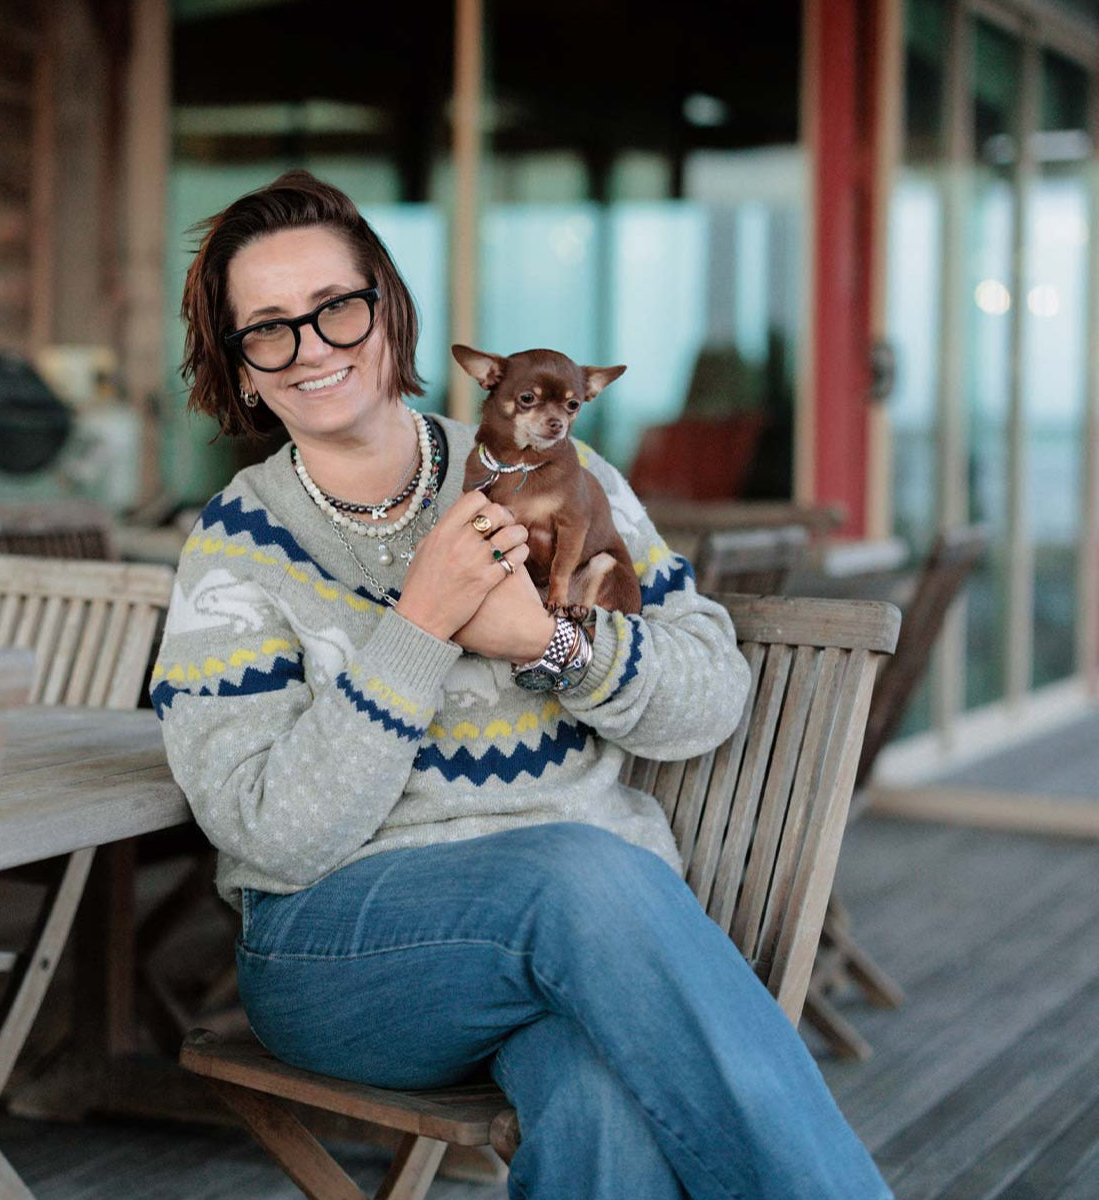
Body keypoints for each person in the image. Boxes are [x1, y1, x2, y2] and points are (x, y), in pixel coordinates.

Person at [154, 169, 892, 1200]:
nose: (313, 346)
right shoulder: (235, 551)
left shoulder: (564, 474)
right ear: (239, 368)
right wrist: (420, 626)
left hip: (593, 944)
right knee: (573, 875)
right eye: (269, 328)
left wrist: (553, 645)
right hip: (348, 958)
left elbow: (712, 694)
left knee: (600, 1098)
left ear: (389, 310)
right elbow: (266, 831)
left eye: (337, 307)